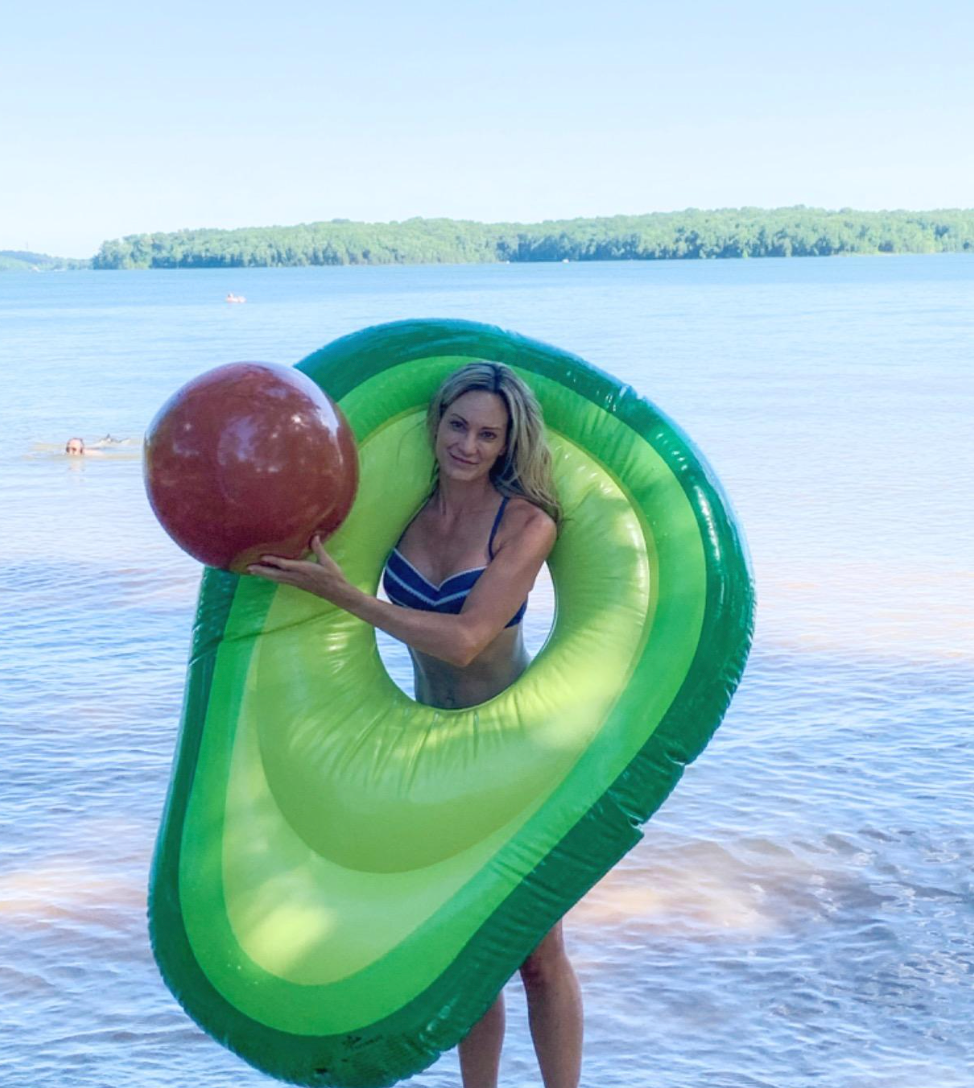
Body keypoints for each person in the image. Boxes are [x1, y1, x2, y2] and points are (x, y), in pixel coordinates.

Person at [248, 361, 583, 1088]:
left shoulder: (528, 523)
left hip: (511, 748)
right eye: (457, 425)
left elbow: (467, 639)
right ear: (435, 424)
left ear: (507, 443)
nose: (468, 444)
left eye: (487, 434)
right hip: (427, 744)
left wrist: (347, 597)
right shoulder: (400, 509)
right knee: (469, 952)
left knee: (537, 952)